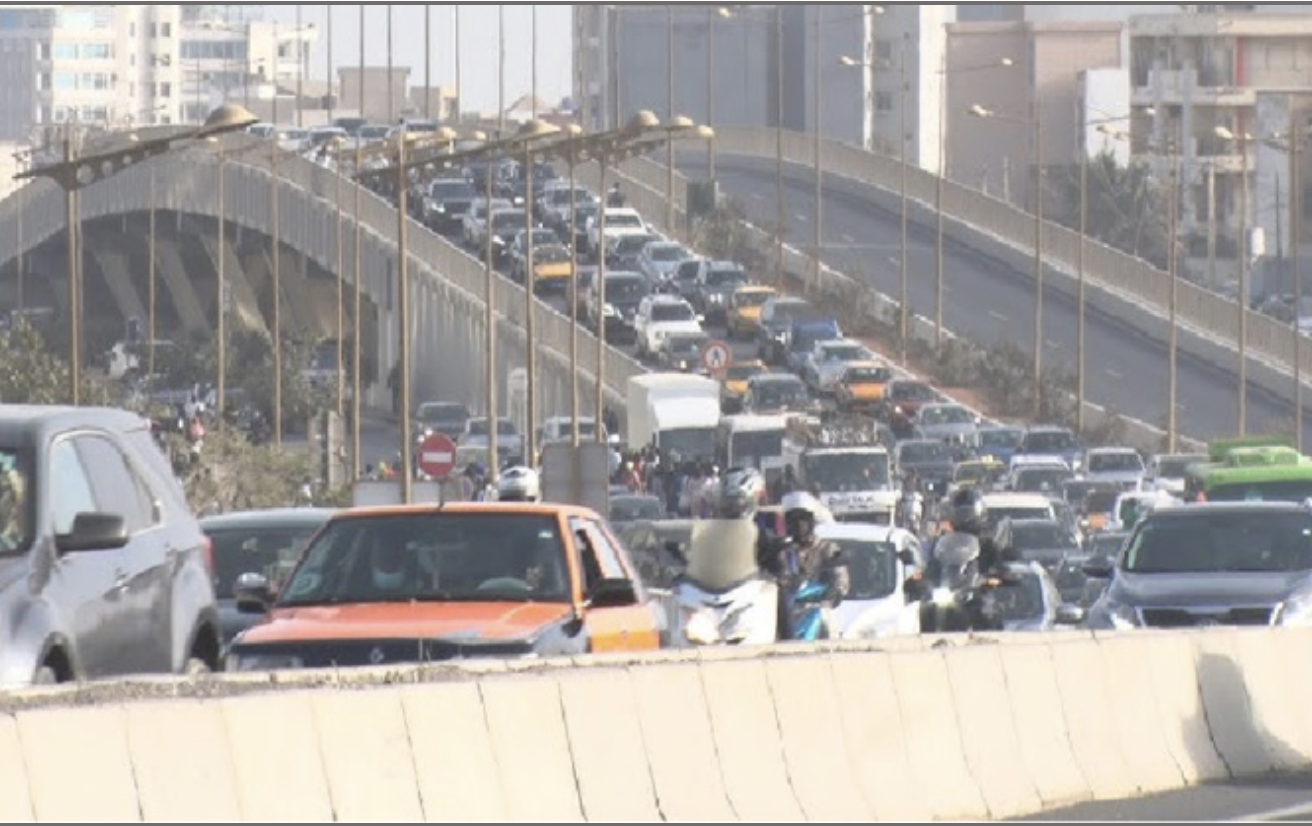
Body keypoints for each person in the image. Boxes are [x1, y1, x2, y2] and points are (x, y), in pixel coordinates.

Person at [760, 491, 849, 641]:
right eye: (793, 520)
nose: (799, 525)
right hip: (785, 613)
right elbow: (765, 578)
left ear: (812, 521)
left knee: (827, 625)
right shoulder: (781, 551)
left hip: (817, 609)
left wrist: (832, 591)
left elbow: (841, 582)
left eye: (803, 519)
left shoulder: (828, 548)